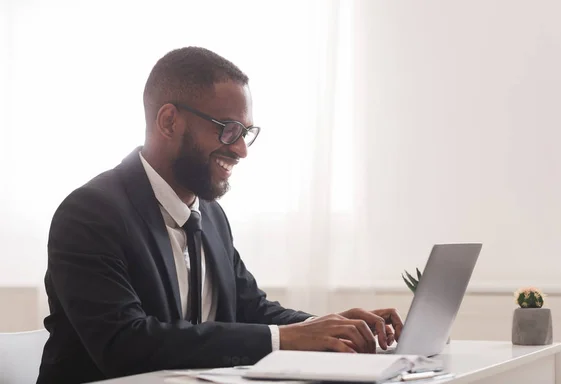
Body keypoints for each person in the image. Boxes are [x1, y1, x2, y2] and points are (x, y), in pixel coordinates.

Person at [37, 46, 404, 384]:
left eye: (246, 132)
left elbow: (250, 310)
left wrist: (332, 327)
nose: (242, 150)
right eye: (229, 130)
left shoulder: (211, 217)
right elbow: (124, 344)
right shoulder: (90, 215)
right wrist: (288, 338)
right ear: (169, 122)